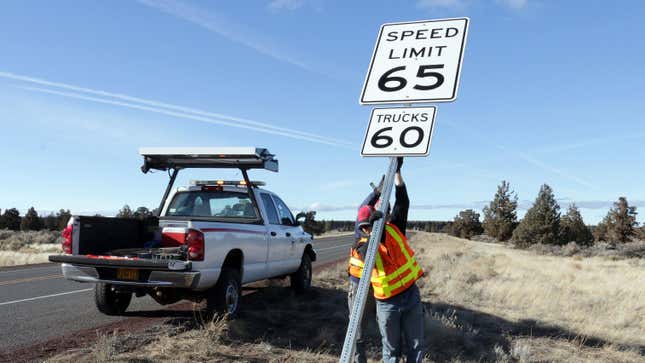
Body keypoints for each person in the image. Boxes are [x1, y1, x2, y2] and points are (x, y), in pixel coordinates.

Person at [348, 157, 425, 363]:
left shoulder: (395, 227)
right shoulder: (363, 241)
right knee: (391, 351)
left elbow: (403, 201)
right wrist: (373, 230)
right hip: (387, 302)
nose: (387, 215)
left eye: (386, 212)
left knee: (416, 346)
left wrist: (397, 173)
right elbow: (369, 257)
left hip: (410, 295)